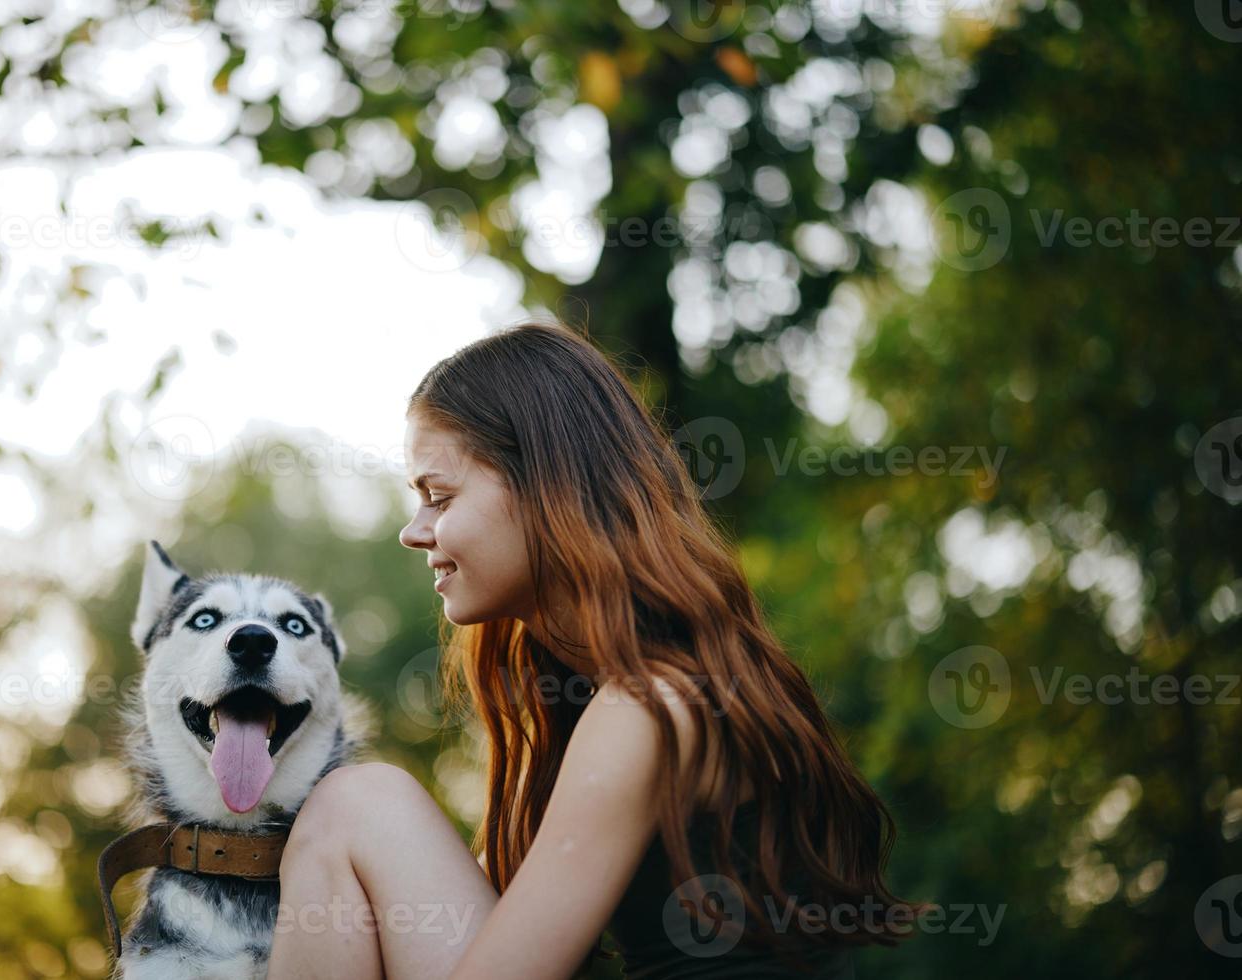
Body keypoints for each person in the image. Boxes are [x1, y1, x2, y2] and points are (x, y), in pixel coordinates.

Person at [266, 320, 924, 979]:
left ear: (547, 487)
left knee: (354, 806)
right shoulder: (603, 697)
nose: (415, 531)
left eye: (440, 497)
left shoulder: (646, 707)